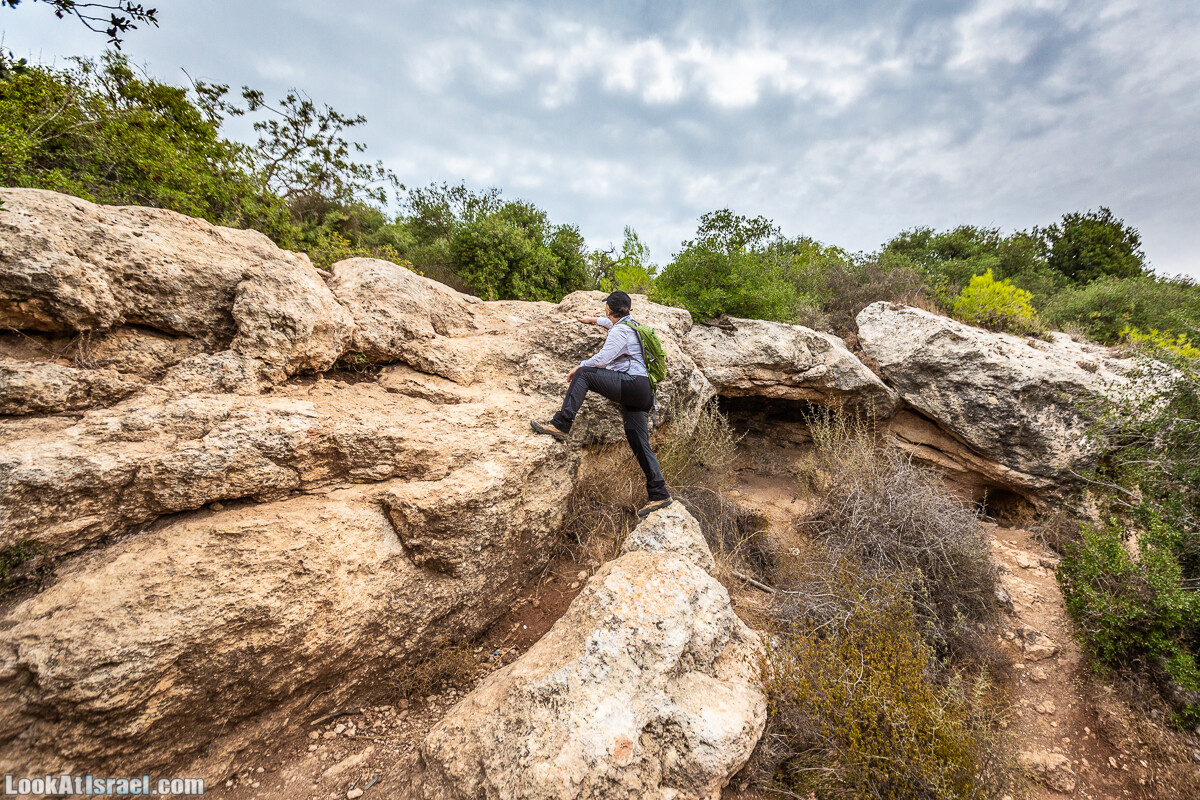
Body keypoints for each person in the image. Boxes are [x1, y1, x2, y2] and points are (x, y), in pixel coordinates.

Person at [531, 290, 673, 518]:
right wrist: (594, 321)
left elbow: (603, 360)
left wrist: (580, 365)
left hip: (633, 384)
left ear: (610, 308)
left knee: (585, 374)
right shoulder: (631, 325)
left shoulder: (621, 331)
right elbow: (612, 325)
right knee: (638, 441)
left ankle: (561, 424)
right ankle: (660, 494)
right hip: (644, 390)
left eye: (606, 308)